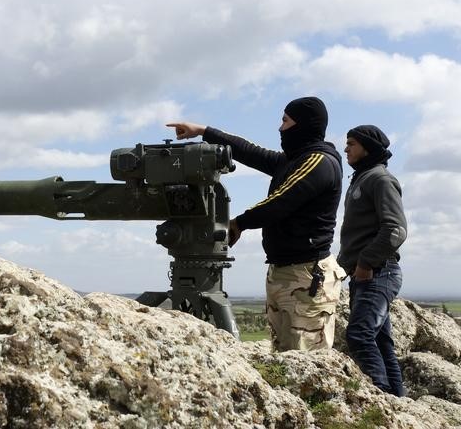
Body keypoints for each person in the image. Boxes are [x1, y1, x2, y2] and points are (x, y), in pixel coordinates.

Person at [167, 97, 346, 351]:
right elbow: (250, 152)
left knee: (307, 358)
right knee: (284, 355)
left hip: (306, 276)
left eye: (285, 121)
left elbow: (281, 201)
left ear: (304, 125)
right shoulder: (293, 160)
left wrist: (239, 223)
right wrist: (204, 132)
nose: (280, 128)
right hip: (286, 272)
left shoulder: (319, 162)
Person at [337, 125, 407, 396]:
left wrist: (365, 263)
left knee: (359, 336)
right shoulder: (362, 179)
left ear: (367, 148)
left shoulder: (380, 179)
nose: (346, 148)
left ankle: (379, 400)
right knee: (380, 341)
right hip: (367, 274)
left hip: (379, 272)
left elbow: (395, 229)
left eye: (351, 143)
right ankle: (398, 404)